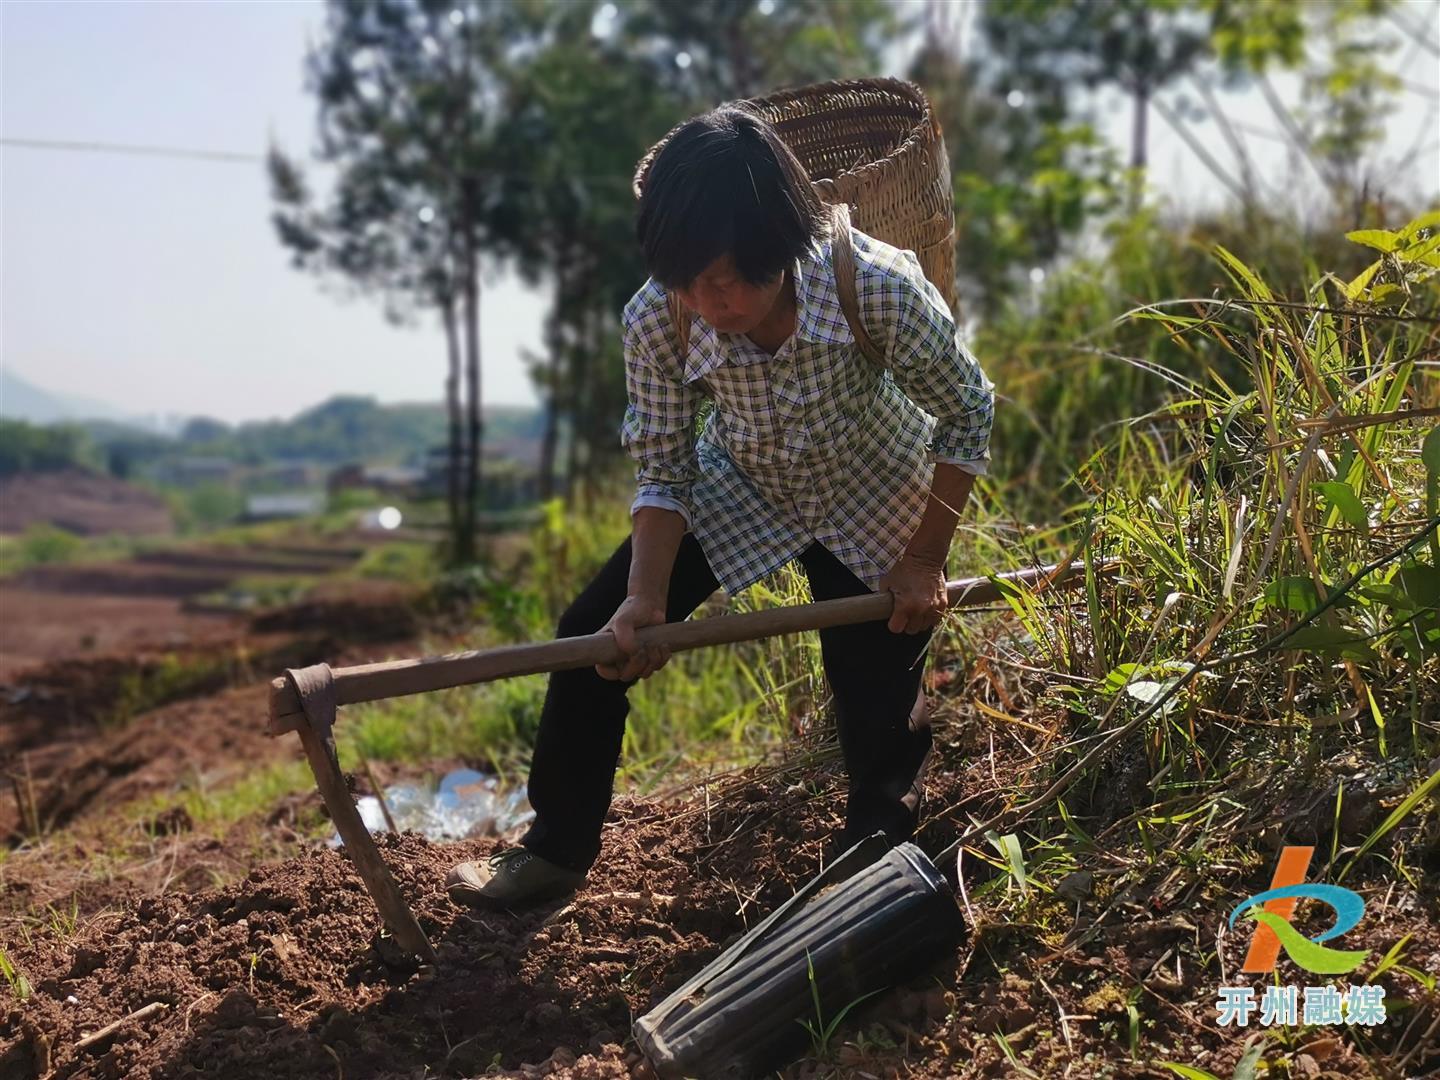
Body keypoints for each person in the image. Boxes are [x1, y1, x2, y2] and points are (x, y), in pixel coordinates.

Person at [447, 101, 994, 909]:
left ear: (779, 248)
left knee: (875, 689)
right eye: (686, 280)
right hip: (744, 483)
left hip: (874, 487)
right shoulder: (657, 316)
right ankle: (555, 850)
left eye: (726, 280)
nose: (706, 301)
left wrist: (923, 560)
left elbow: (968, 410)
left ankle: (873, 859)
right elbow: (664, 468)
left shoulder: (873, 285)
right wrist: (644, 598)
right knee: (590, 638)